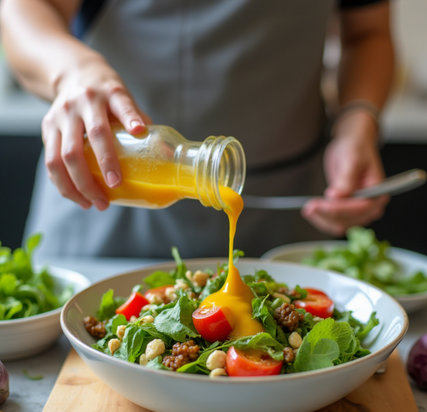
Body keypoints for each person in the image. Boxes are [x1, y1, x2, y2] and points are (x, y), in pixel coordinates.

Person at [0, 0, 394, 259]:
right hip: (108, 191)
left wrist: (357, 123)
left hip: (285, 208)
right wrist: (73, 71)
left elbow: (368, 33)